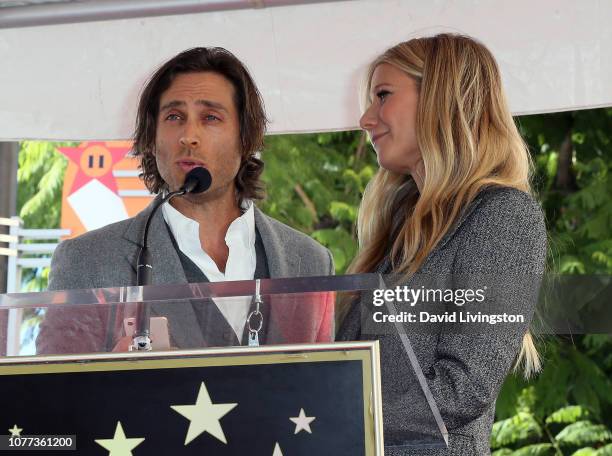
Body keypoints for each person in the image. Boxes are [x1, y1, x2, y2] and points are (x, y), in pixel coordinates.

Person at [38, 47, 334, 354]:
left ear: (246, 138)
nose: (189, 135)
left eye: (210, 117)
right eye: (174, 117)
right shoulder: (86, 261)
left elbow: (328, 387)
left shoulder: (311, 261)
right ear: (152, 140)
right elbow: (51, 395)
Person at [336, 34, 547, 455]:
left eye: (382, 95)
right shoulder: (396, 229)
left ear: (441, 97)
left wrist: (330, 412)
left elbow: (463, 388)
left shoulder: (502, 215)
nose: (366, 118)